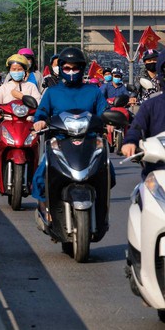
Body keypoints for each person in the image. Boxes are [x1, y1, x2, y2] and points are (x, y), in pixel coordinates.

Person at [31, 47, 108, 217]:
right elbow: (41, 112)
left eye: (75, 68)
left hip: (89, 141)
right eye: (67, 68)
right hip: (59, 141)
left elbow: (104, 111)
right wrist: (40, 121)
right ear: (61, 69)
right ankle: (45, 207)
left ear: (82, 68)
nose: (71, 71)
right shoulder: (52, 92)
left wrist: (108, 121)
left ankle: (102, 209)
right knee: (41, 173)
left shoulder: (93, 91)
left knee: (108, 170)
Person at [122, 49, 165, 178]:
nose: (151, 62)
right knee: (142, 194)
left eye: (154, 60)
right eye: (148, 60)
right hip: (156, 170)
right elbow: (137, 127)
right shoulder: (150, 105)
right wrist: (130, 142)